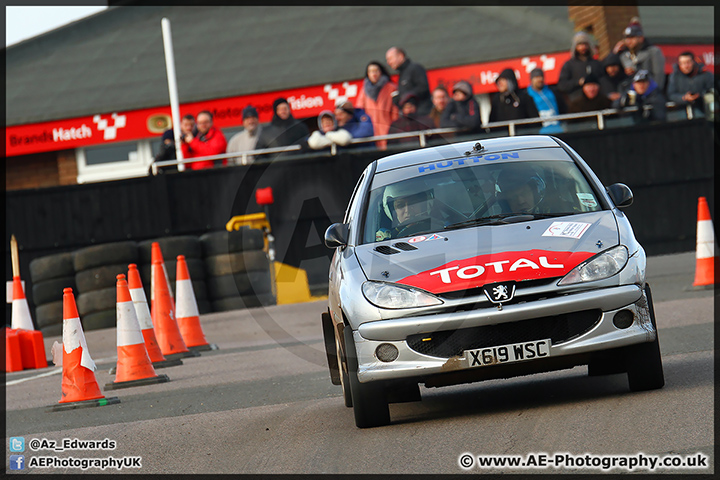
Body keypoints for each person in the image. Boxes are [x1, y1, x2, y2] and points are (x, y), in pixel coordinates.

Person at [354, 61, 398, 150]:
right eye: (371, 71)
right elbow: (359, 112)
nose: (374, 74)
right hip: (371, 133)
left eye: (376, 71)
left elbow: (395, 111)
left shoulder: (391, 88)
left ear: (381, 72)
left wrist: (394, 128)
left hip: (388, 132)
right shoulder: (364, 91)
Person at [557, 31, 604, 103]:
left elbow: (603, 81)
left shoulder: (596, 64)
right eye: (580, 45)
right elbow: (562, 85)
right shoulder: (569, 65)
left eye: (585, 44)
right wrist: (578, 82)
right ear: (575, 47)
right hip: (577, 103)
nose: (583, 47)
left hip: (598, 103)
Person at [617, 23, 666, 91]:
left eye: (632, 38)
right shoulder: (623, 55)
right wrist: (614, 53)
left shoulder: (653, 52)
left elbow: (658, 74)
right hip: (631, 91)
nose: (628, 41)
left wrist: (656, 91)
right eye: (626, 38)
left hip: (649, 91)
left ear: (641, 38)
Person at [385, 47, 433, 116]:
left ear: (400, 56)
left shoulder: (415, 68)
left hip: (422, 115)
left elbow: (423, 88)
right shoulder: (402, 74)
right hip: (411, 118)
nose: (389, 63)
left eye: (390, 59)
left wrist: (406, 97)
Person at [666, 51, 715, 116]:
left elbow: (713, 91)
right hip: (681, 111)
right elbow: (671, 94)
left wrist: (700, 96)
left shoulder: (706, 74)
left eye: (688, 62)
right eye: (682, 63)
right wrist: (684, 98)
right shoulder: (674, 77)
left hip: (703, 109)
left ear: (693, 62)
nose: (686, 66)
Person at [525, 68, 566, 133]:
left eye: (541, 76)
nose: (539, 79)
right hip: (539, 131)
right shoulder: (526, 96)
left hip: (558, 128)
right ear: (531, 80)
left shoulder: (553, 91)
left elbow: (563, 107)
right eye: (536, 77)